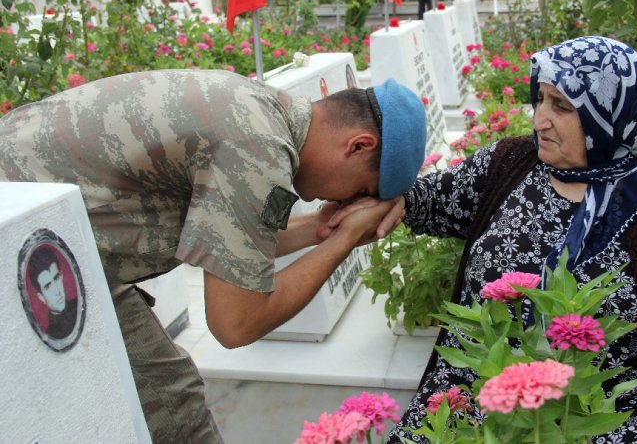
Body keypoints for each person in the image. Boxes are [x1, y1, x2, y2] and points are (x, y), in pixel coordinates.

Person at [0, 69, 427, 442]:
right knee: (170, 400)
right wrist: (343, 241)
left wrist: (320, 229)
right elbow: (236, 323)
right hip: (22, 229)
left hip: (47, 224)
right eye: (362, 193)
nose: (352, 204)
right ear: (358, 146)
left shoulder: (265, 114)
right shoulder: (256, 147)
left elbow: (232, 244)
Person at [372, 36, 637, 443]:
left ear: (607, 114)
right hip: (483, 384)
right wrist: (374, 196)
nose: (539, 120)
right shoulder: (511, 163)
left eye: (562, 106)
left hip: (609, 408)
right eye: (541, 99)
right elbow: (429, 201)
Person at [28, 247, 78, 340]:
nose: (57, 292)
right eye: (47, 286)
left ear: (62, 276)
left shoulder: (80, 303)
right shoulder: (51, 336)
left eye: (56, 278)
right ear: (41, 297)